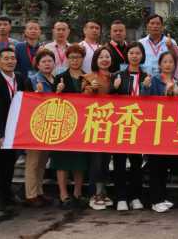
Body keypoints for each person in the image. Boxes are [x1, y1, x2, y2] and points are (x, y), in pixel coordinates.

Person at [0, 48, 32, 211]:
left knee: (9, 163)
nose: (10, 61)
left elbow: (28, 98)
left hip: (15, 129)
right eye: (6, 59)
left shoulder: (20, 78)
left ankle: (7, 194)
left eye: (12, 58)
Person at [111, 42, 150, 211]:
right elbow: (109, 100)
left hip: (139, 123)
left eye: (138, 53)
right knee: (119, 161)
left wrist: (147, 88)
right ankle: (120, 197)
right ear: (127, 56)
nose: (134, 56)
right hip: (121, 123)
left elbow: (152, 101)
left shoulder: (147, 76)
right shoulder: (117, 75)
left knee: (136, 162)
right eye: (131, 53)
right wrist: (114, 88)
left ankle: (135, 196)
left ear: (142, 56)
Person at [51, 44, 90, 208]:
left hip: (82, 124)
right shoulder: (59, 78)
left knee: (80, 160)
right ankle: (63, 194)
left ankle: (77, 193)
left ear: (83, 59)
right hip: (64, 124)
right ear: (67, 59)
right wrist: (58, 92)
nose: (75, 60)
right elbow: (51, 102)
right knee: (62, 160)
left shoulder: (88, 78)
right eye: (72, 57)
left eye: (78, 57)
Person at [82, 46, 114, 210]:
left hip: (112, 124)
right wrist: (91, 89)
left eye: (107, 56)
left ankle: (103, 191)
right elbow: (82, 99)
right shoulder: (89, 77)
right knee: (96, 160)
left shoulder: (115, 77)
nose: (104, 60)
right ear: (95, 60)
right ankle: (94, 193)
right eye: (101, 57)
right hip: (95, 124)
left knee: (106, 160)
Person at [147, 51, 178, 213]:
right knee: (155, 165)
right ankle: (155, 200)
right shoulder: (153, 80)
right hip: (155, 127)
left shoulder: (177, 82)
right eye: (165, 62)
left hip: (170, 129)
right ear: (160, 64)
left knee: (165, 166)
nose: (168, 64)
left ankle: (162, 196)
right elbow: (147, 101)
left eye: (170, 62)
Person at [24, 49, 56, 208]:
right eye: (43, 62)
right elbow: (25, 103)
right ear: (38, 65)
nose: (47, 64)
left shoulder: (57, 80)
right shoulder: (31, 80)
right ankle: (30, 195)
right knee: (33, 162)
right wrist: (36, 95)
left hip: (50, 125)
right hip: (35, 126)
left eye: (50, 61)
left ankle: (39, 191)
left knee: (42, 161)